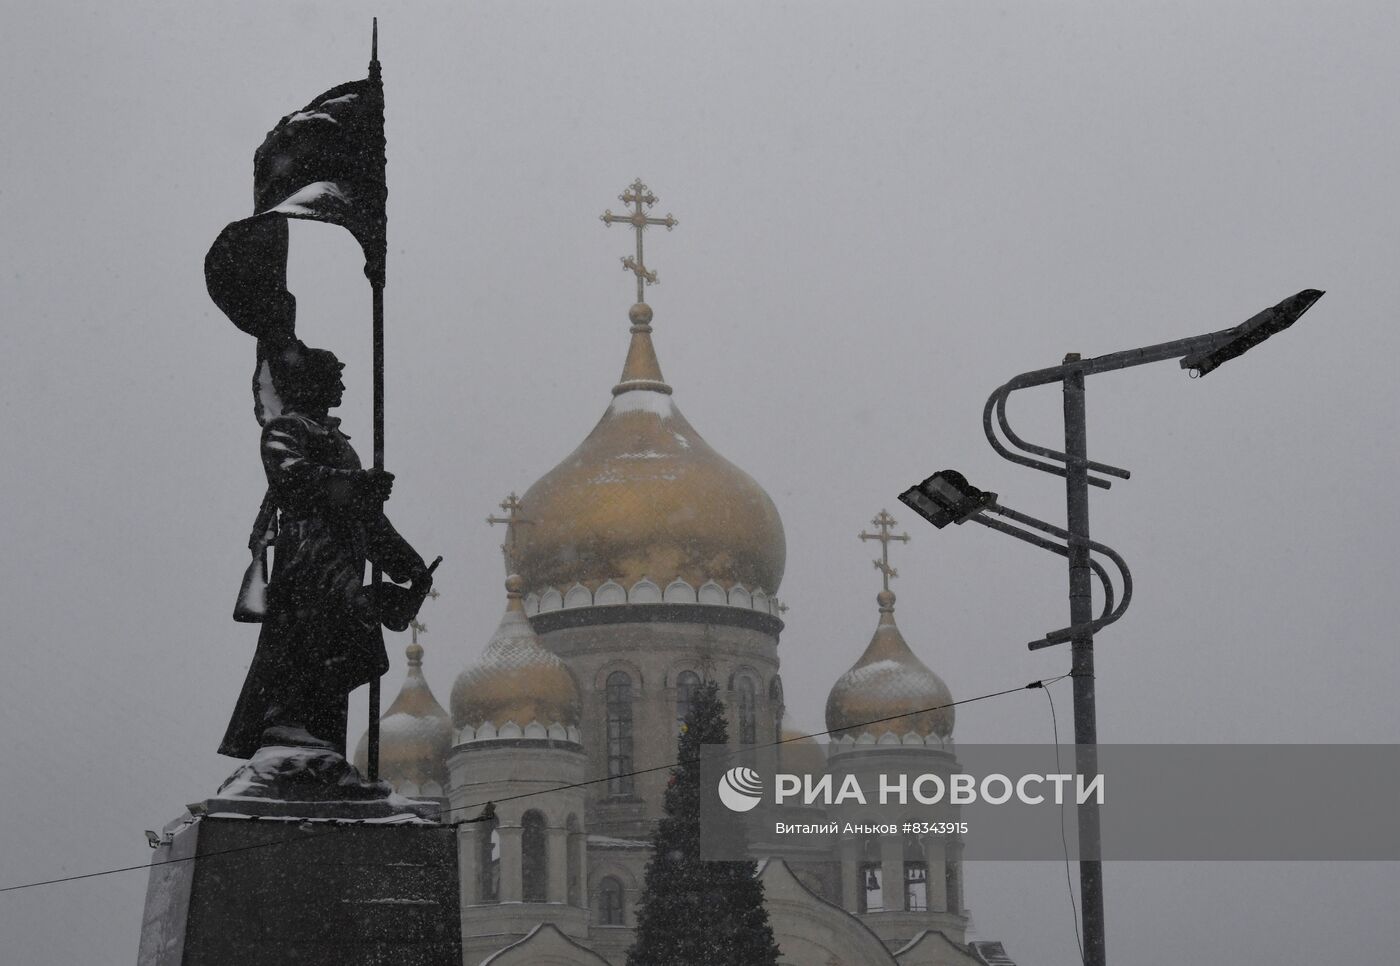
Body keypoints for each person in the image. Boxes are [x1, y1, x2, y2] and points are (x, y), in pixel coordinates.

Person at [219, 342, 431, 761]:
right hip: (310, 553)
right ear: (312, 382)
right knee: (311, 635)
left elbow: (367, 518)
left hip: (343, 551)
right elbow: (289, 475)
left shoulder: (334, 438)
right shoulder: (287, 429)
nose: (343, 385)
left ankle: (318, 731)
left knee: (341, 640)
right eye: (335, 377)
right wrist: (356, 483)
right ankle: (287, 720)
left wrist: (407, 563)